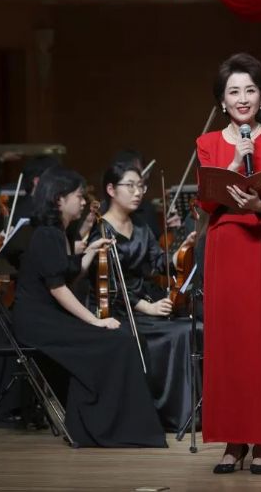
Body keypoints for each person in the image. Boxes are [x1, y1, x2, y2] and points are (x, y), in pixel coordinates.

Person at [11, 165, 166, 448]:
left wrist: (91, 252)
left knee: (121, 338)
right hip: (38, 322)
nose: (83, 202)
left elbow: (69, 276)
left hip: (49, 317)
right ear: (59, 199)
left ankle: (118, 424)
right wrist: (94, 321)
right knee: (116, 339)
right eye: (79, 196)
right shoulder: (47, 234)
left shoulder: (61, 232)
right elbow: (58, 289)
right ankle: (102, 425)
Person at [196, 52, 261, 474]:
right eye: (234, 91)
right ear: (222, 100)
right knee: (229, 344)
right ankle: (233, 441)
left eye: (250, 90)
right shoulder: (207, 143)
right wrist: (233, 164)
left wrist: (260, 205)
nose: (242, 98)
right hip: (226, 246)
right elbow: (205, 203)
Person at [86, 161, 198, 432]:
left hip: (144, 303)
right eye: (131, 186)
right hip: (117, 311)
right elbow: (109, 286)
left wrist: (180, 251)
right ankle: (171, 414)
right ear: (111, 190)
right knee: (179, 334)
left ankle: (190, 412)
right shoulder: (101, 230)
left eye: (141, 186)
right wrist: (146, 308)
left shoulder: (140, 226)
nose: (138, 192)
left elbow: (159, 263)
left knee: (192, 326)